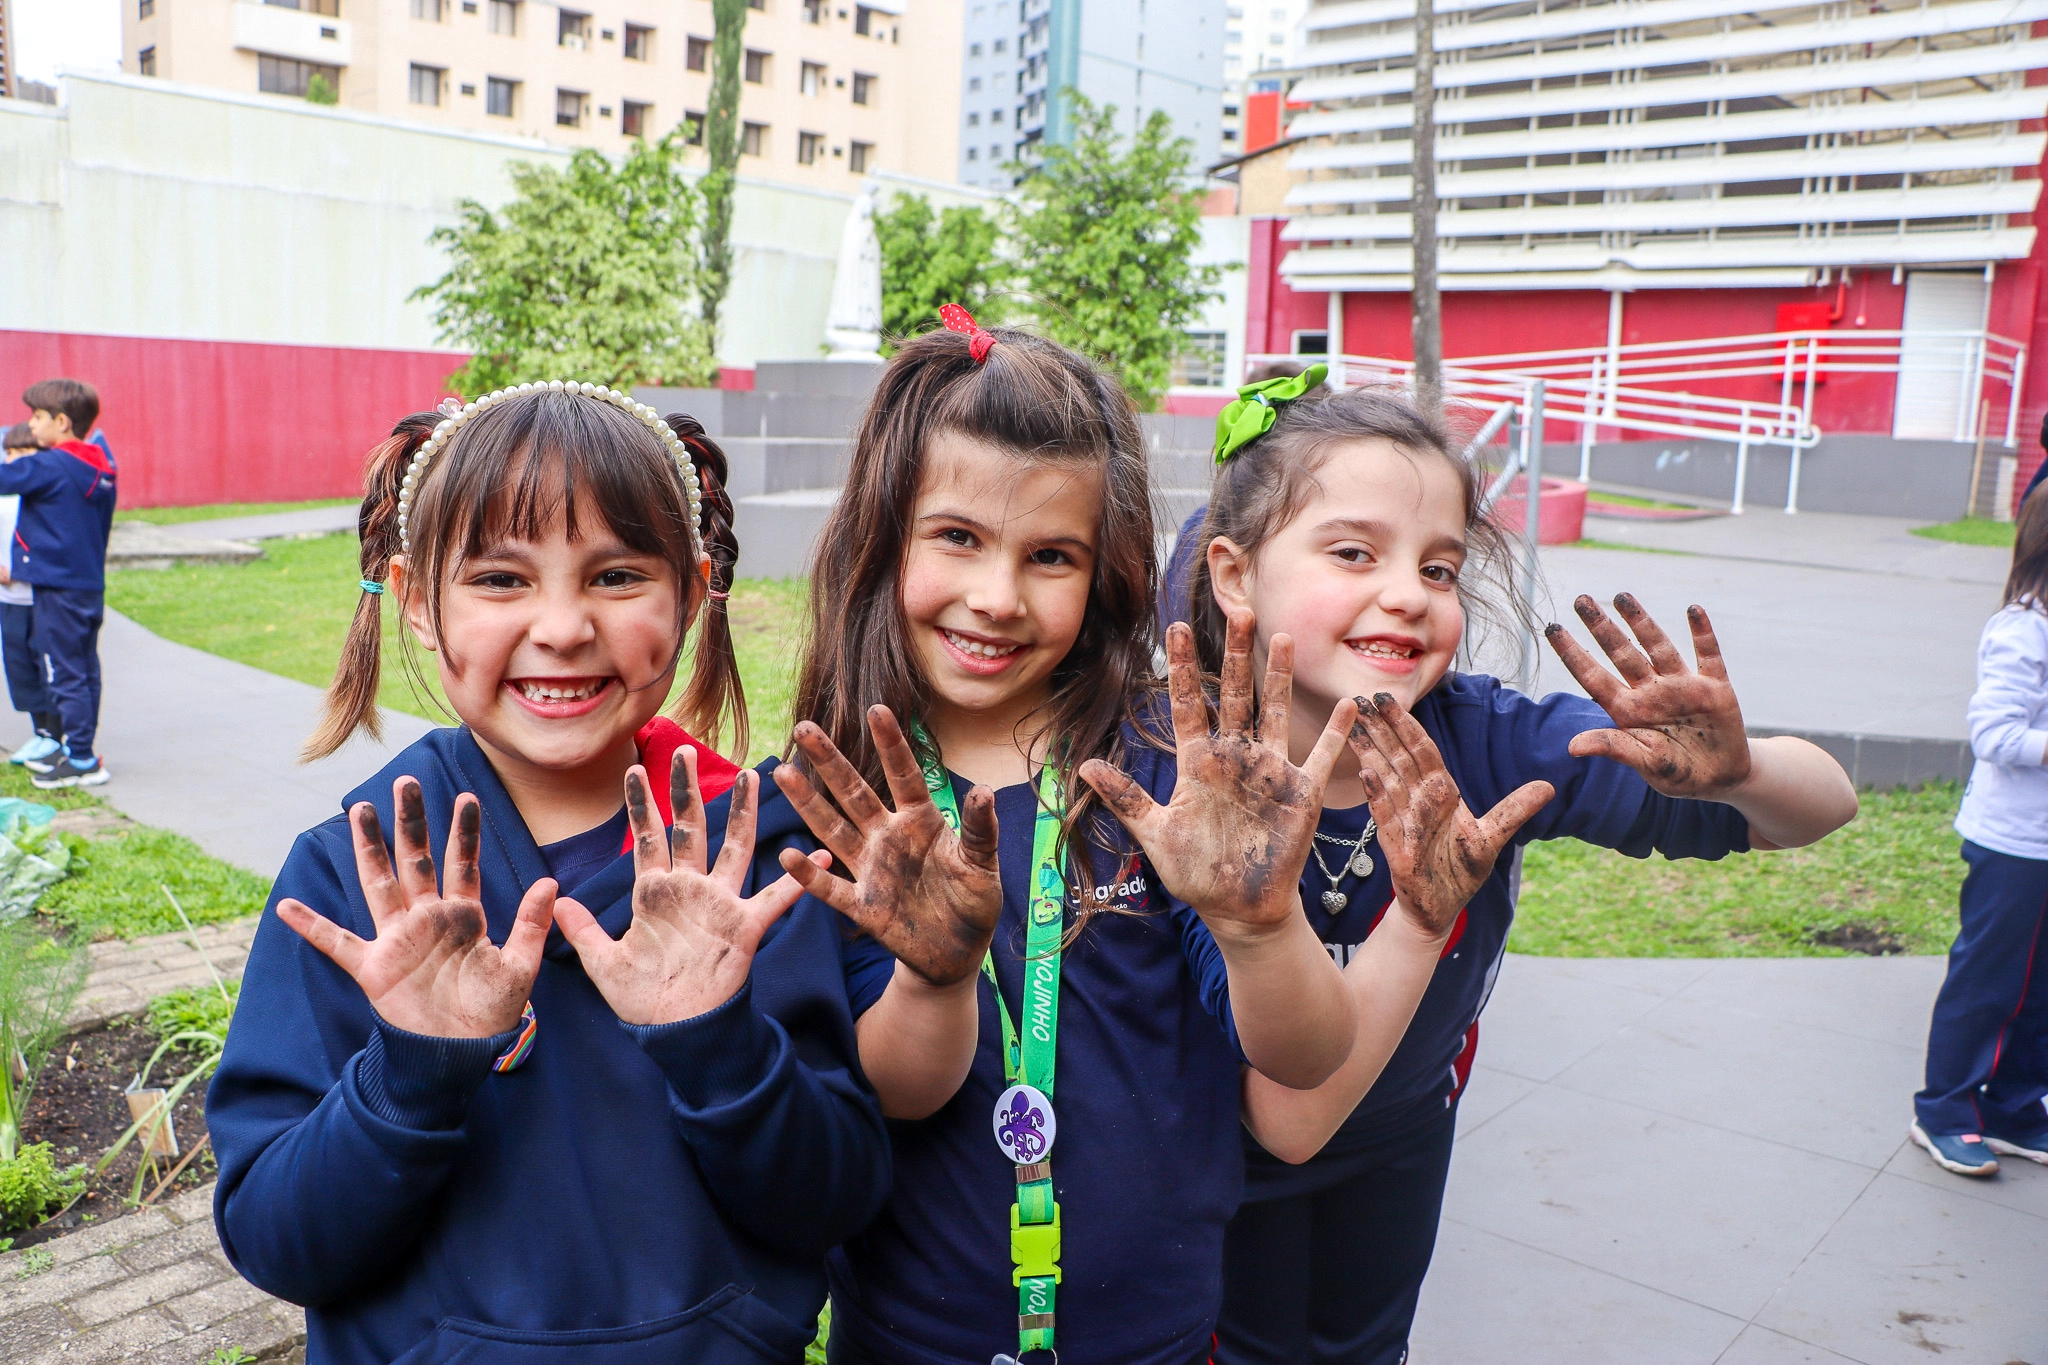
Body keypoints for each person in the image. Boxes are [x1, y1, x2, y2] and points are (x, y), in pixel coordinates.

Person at [757, 314, 1493, 1365]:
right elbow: (895, 1096)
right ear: (881, 540)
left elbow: (1300, 1056)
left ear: (1103, 571)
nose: (997, 598)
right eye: (957, 537)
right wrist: (933, 977)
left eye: (1050, 556)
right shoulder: (829, 801)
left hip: (1161, 1339)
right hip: (906, 1343)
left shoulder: (1160, 772)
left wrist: (1257, 926)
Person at [1166, 374, 1859, 1365]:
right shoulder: (1185, 776)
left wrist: (1739, 775)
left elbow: (1821, 806)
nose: (1406, 593)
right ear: (1235, 576)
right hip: (1211, 1157)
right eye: (1353, 552)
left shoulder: (1489, 741)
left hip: (1403, 1132)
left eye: (1439, 568)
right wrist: (1418, 921)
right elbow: (1288, 1122)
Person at [206, 385, 892, 1364]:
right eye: (500, 578)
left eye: (616, 575)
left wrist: (719, 1048)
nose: (563, 627)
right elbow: (280, 1243)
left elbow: (836, 1202)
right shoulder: (351, 881)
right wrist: (409, 1075)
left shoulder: (751, 864)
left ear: (692, 592)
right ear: (416, 600)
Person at [1910, 486, 2048, 1177]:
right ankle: (1943, 1112)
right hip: (2016, 844)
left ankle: (2016, 1110)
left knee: (2042, 990)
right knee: (1988, 983)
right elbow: (1995, 735)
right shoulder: (2023, 630)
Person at [10, 379, 116, 787]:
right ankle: (81, 750)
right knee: (84, 670)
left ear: (62, 422)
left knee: (65, 672)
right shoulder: (100, 465)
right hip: (87, 585)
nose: (31, 425)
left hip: (57, 588)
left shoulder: (51, 464)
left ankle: (83, 759)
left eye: (37, 416)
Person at [0, 424, 58, 765]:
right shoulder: (4, 495)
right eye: (9, 453)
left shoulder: (44, 497)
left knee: (48, 669)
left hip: (42, 600)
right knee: (20, 670)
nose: (13, 460)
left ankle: (57, 736)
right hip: (9, 601)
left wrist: (22, 573)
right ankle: (41, 733)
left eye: (23, 452)